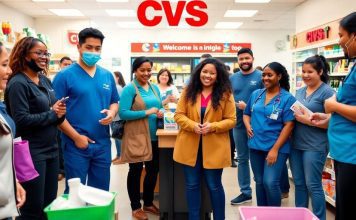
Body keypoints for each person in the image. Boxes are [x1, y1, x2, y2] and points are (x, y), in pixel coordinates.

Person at [5, 37, 66, 220]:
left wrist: (60, 112)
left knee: (49, 204)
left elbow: (55, 114)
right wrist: (52, 114)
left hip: (51, 150)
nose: (44, 57)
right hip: (31, 152)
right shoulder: (17, 83)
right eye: (38, 53)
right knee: (32, 207)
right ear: (24, 55)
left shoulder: (45, 80)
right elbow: (21, 120)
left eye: (46, 53)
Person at [52, 28, 119, 192]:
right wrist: (76, 138)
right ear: (79, 47)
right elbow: (55, 114)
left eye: (97, 48)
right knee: (76, 193)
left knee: (101, 193)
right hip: (76, 143)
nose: (94, 52)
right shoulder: (64, 76)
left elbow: (114, 101)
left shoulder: (107, 75)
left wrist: (112, 113)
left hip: (103, 143)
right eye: (89, 47)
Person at [174, 58, 236, 220]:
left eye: (212, 73)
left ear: (218, 75)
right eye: (205, 72)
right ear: (199, 72)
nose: (208, 76)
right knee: (192, 185)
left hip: (214, 147)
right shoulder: (188, 91)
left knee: (214, 186)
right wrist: (192, 125)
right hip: (190, 146)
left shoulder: (225, 94)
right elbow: (179, 115)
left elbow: (231, 120)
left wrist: (213, 126)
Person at [310, 12, 356, 220]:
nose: (340, 41)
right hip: (344, 152)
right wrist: (329, 117)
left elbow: (340, 105)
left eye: (342, 35)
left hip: (352, 154)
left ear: (354, 36)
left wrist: (332, 106)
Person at [243, 62, 295, 207]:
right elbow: (246, 114)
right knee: (259, 181)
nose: (265, 78)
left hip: (276, 147)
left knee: (270, 182)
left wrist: (275, 149)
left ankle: (274, 215)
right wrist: (247, 126)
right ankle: (262, 214)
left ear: (279, 76)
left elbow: (289, 125)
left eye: (269, 75)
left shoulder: (287, 98)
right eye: (264, 75)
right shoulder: (256, 94)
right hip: (255, 145)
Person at [289, 55, 334, 220]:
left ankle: (318, 217)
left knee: (313, 184)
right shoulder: (299, 91)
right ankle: (300, 216)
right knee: (299, 183)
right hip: (296, 144)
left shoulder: (328, 92)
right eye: (303, 71)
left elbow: (332, 122)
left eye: (310, 72)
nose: (306, 75)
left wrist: (307, 121)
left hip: (315, 145)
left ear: (320, 72)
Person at [119, 56, 163, 220]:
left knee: (153, 171)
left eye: (148, 70)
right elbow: (122, 113)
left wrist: (160, 111)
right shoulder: (130, 89)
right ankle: (136, 207)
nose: (146, 73)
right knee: (136, 171)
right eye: (142, 70)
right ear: (135, 70)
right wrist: (147, 112)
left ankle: (149, 203)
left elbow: (158, 107)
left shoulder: (154, 88)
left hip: (154, 137)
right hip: (136, 136)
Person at [229, 48, 263, 205]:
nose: (244, 61)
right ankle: (245, 192)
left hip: (259, 126)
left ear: (253, 59)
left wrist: (248, 107)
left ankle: (263, 190)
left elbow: (269, 98)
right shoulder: (232, 78)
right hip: (239, 125)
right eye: (241, 59)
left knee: (259, 158)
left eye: (246, 58)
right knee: (242, 159)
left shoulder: (261, 77)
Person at [0, 41, 26, 220]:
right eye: (3, 65)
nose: (9, 70)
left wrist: (13, 181)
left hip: (6, 202)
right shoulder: (18, 85)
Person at [57, 56, 73, 181]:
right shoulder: (58, 79)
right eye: (65, 64)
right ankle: (60, 170)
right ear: (60, 65)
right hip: (57, 119)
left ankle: (63, 169)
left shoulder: (72, 77)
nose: (67, 66)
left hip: (68, 120)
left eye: (69, 64)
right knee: (60, 145)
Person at [112, 71, 126, 165]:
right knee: (116, 137)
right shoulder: (118, 87)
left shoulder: (118, 88)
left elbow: (119, 102)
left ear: (118, 78)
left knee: (118, 137)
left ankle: (122, 157)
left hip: (118, 117)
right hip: (115, 116)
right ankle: (118, 155)